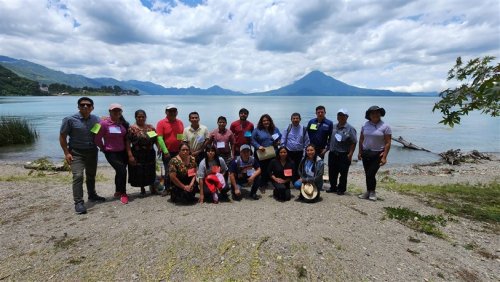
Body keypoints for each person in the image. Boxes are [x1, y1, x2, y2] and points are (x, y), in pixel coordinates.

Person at [59, 97, 105, 214]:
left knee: (91, 175)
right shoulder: (69, 120)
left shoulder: (96, 119)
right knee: (78, 176)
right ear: (78, 107)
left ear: (92, 108)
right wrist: (66, 153)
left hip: (92, 151)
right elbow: (62, 136)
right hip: (76, 153)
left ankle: (92, 195)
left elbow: (102, 128)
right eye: (82, 105)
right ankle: (79, 202)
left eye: (88, 105)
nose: (85, 107)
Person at [94, 103, 130, 204]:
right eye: (114, 110)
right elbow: (96, 138)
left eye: (119, 110)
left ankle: (118, 191)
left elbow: (127, 135)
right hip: (111, 152)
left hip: (123, 152)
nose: (117, 112)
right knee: (122, 171)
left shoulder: (122, 123)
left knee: (119, 171)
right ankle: (123, 193)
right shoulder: (103, 123)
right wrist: (102, 148)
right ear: (110, 112)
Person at [358, 106, 392, 201]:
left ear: (380, 114)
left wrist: (384, 156)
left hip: (378, 154)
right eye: (372, 113)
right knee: (367, 173)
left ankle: (372, 192)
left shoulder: (385, 126)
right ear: (369, 115)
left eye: (377, 112)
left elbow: (388, 142)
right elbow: (361, 139)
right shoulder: (365, 125)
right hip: (366, 153)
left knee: (371, 174)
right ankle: (368, 191)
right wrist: (359, 152)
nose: (375, 115)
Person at [126, 109, 158, 197]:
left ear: (145, 117)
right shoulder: (131, 129)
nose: (141, 118)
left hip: (150, 152)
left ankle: (153, 188)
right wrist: (130, 155)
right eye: (139, 117)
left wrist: (159, 148)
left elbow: (155, 140)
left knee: (151, 169)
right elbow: (128, 143)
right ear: (135, 118)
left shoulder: (150, 128)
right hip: (137, 153)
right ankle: (142, 188)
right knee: (139, 171)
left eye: (142, 117)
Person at [326, 109, 357, 195]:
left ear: (347, 117)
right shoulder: (333, 126)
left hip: (343, 154)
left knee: (343, 173)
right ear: (337, 116)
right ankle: (333, 187)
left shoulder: (350, 129)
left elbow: (354, 142)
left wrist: (350, 154)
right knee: (332, 172)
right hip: (332, 153)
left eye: (343, 115)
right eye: (339, 115)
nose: (341, 117)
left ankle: (341, 189)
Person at [156, 104, 184, 195]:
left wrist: (183, 150)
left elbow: (180, 136)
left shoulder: (180, 122)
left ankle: (177, 186)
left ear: (177, 112)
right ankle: (167, 188)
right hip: (167, 152)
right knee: (168, 170)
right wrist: (165, 151)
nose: (172, 113)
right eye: (170, 111)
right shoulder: (161, 123)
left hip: (178, 152)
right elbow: (159, 138)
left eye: (174, 111)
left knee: (179, 170)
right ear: (166, 112)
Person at [251, 114, 281, 191]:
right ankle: (262, 184)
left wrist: (278, 142)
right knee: (262, 168)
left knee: (271, 168)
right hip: (261, 153)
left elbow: (280, 138)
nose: (266, 122)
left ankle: (271, 182)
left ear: (270, 121)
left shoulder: (275, 129)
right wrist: (258, 146)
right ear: (261, 122)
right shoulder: (257, 130)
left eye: (267, 120)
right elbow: (252, 140)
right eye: (264, 121)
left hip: (272, 152)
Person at [281, 112, 309, 180]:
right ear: (291, 119)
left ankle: (296, 180)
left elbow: (307, 141)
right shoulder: (288, 128)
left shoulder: (303, 129)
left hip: (299, 152)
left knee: (298, 166)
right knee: (288, 166)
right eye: (294, 118)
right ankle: (287, 179)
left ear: (300, 119)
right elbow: (283, 139)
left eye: (297, 118)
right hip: (289, 151)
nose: (295, 120)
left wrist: (305, 152)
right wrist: (283, 151)